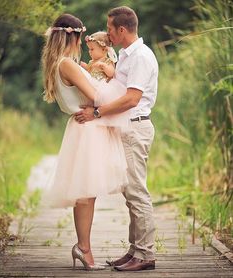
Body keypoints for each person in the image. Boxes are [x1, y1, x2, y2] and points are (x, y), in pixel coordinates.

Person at [41, 13, 129, 271]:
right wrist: (122, 89)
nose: (82, 44)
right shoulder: (68, 64)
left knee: (87, 193)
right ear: (75, 36)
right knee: (86, 194)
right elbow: (96, 96)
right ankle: (84, 248)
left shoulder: (68, 63)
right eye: (81, 38)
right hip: (87, 127)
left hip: (86, 127)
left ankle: (84, 247)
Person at [75, 6, 158, 271]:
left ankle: (145, 255)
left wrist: (97, 112)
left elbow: (131, 99)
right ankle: (135, 250)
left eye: (109, 28)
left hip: (135, 127)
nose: (107, 32)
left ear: (121, 29)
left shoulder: (141, 57)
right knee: (130, 193)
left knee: (137, 194)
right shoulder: (125, 55)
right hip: (124, 129)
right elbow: (117, 87)